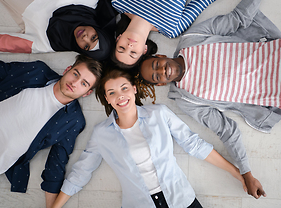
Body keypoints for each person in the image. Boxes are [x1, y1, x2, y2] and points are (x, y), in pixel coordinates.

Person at [139, 0, 281, 199]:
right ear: (160, 85)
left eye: (156, 66)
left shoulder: (192, 39)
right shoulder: (186, 100)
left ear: (159, 57)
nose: (161, 71)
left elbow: (237, 18)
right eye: (156, 77)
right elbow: (225, 130)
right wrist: (245, 172)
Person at [51, 68, 247, 208]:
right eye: (112, 93)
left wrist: (240, 174)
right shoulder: (102, 133)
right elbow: (81, 172)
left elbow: (193, 144)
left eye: (124, 88)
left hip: (181, 199)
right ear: (108, 99)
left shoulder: (159, 113)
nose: (120, 96)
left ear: (134, 89)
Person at [0, 55, 103, 208]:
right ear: (67, 69)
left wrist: (51, 206)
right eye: (75, 74)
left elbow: (57, 162)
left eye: (84, 83)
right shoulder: (37, 71)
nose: (74, 83)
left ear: (87, 92)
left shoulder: (73, 121)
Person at [111, 0, 266, 67]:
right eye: (133, 53)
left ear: (118, 38)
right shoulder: (172, 28)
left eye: (122, 48)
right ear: (144, 50)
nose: (129, 46)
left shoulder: (119, 1)